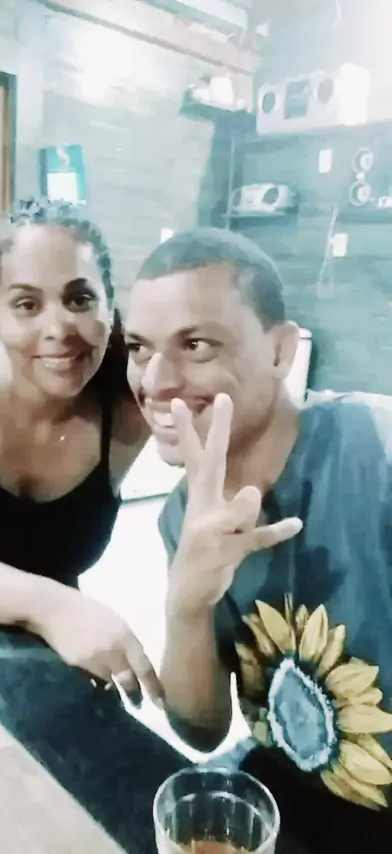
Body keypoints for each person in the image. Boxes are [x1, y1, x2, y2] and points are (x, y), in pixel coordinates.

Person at [125, 227, 392, 851]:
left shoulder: (374, 453)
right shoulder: (185, 514)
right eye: (139, 348)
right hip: (285, 800)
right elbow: (201, 730)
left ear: (280, 351)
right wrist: (187, 605)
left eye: (195, 344)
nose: (155, 381)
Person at [0, 198, 161, 704]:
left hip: (40, 664)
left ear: (109, 303)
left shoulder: (128, 404)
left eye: (79, 299)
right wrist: (51, 606)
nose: (59, 329)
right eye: (27, 304)